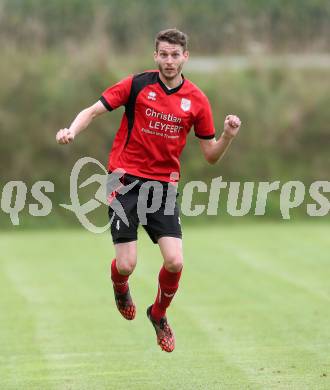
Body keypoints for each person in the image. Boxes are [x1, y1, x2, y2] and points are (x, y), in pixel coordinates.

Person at [56, 28, 241, 353]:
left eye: (175, 55)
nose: (169, 61)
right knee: (126, 264)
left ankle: (158, 314)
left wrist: (227, 135)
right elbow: (94, 110)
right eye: (164, 55)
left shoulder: (197, 101)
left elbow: (210, 156)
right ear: (155, 56)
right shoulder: (137, 85)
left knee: (175, 261)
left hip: (163, 187)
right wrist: (71, 130)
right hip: (122, 180)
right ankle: (120, 286)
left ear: (186, 57)